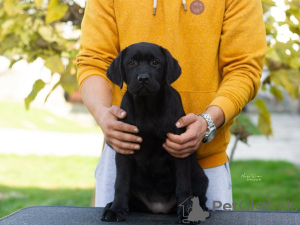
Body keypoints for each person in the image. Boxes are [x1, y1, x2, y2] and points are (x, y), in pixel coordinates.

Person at [76, 0, 267, 210]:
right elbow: (94, 61)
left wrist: (208, 122)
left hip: (202, 164)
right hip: (127, 160)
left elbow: (244, 67)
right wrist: (103, 114)